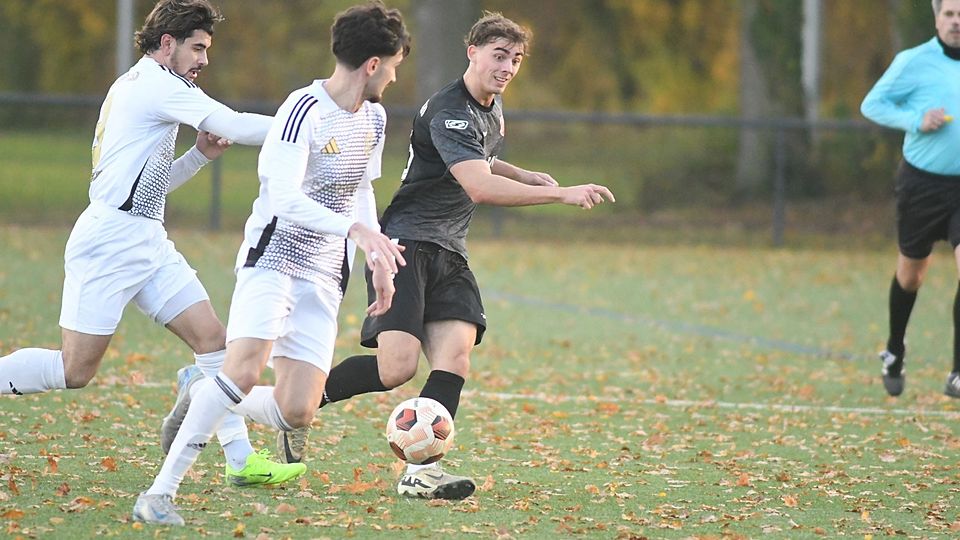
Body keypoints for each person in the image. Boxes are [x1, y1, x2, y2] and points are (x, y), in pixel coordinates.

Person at [275, 12, 615, 501]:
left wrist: (524, 174)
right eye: (499, 56)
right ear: (472, 51)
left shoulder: (490, 107)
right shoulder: (450, 108)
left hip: (450, 251)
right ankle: (297, 409)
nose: (508, 67)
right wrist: (561, 195)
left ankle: (421, 473)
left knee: (455, 358)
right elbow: (477, 184)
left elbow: (482, 157)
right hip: (407, 245)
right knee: (396, 369)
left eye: (516, 59)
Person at [0, 0, 304, 486]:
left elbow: (148, 190)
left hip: (145, 238)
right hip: (108, 244)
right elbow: (236, 123)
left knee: (213, 341)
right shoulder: (157, 85)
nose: (204, 59)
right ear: (168, 44)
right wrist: (308, 127)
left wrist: (199, 156)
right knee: (76, 370)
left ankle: (241, 461)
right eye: (198, 48)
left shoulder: (143, 83)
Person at [132, 1, 410, 526]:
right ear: (373, 63)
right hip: (274, 257)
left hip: (327, 272)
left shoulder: (374, 116)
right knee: (239, 373)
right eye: (393, 65)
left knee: (296, 410)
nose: (395, 76)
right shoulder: (301, 109)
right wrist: (354, 229)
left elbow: (360, 191)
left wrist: (374, 253)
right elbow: (283, 197)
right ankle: (159, 492)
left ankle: (199, 390)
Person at [861, 0, 960, 398]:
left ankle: (957, 372)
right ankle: (895, 350)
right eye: (950, 14)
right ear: (937, 18)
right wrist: (915, 120)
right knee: (911, 276)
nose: (957, 22)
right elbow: (872, 104)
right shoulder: (913, 62)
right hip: (922, 186)